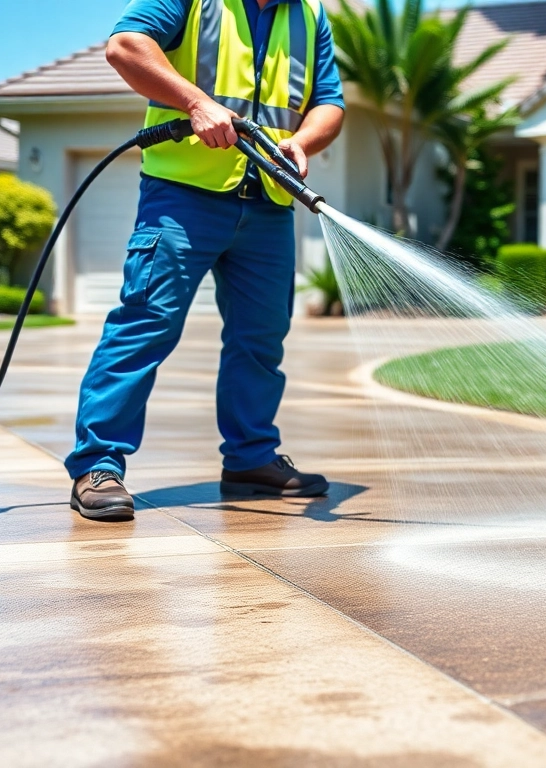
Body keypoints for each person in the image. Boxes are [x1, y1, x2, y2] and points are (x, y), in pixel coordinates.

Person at [67, 0, 346, 521]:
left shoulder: (310, 16)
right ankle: (98, 465)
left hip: (267, 199)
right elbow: (126, 46)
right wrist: (196, 102)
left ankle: (250, 459)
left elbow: (329, 102)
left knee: (260, 339)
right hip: (183, 194)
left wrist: (303, 142)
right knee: (146, 323)